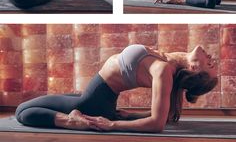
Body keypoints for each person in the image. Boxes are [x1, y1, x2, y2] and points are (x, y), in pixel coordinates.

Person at [15, 43, 218, 133]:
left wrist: (112, 124)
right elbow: (168, 112)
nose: (212, 58)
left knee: (23, 111)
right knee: (53, 101)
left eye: (210, 65)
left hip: (93, 101)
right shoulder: (173, 63)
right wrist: (129, 116)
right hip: (97, 98)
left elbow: (158, 124)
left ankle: (72, 121)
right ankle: (80, 116)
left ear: (194, 69)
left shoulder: (163, 71)